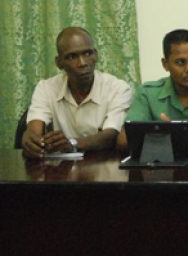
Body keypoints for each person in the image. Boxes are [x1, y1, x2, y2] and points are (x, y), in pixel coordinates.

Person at [22, 27, 132, 158]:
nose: (82, 63)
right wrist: (32, 141)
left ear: (96, 55)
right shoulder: (46, 88)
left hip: (104, 166)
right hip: (63, 170)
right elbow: (34, 129)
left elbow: (111, 136)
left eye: (87, 53)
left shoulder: (118, 88)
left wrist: (72, 144)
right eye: (72, 56)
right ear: (59, 63)